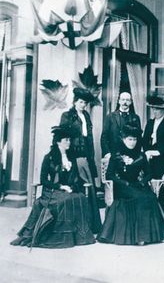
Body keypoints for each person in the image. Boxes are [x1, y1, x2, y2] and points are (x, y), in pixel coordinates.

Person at [10, 126, 95, 248]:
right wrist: (60, 186)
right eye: (66, 140)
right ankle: (59, 236)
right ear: (58, 142)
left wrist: (72, 187)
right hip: (51, 191)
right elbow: (43, 180)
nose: (69, 142)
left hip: (68, 189)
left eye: (69, 140)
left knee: (80, 197)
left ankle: (79, 235)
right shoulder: (49, 157)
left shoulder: (71, 157)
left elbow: (76, 176)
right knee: (64, 201)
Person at [97, 125, 164, 245]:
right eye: (130, 139)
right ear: (124, 139)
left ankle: (148, 236)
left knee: (150, 197)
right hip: (122, 186)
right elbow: (109, 175)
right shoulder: (116, 155)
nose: (132, 142)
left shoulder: (140, 155)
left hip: (137, 185)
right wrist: (124, 182)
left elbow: (149, 173)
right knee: (139, 198)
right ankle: (139, 237)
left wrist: (142, 182)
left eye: (135, 139)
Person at [60, 87, 102, 234]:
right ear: (75, 102)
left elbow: (88, 139)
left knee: (89, 190)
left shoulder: (86, 116)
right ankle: (76, 227)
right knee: (77, 190)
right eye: (81, 102)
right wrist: (65, 156)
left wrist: (90, 157)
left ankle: (91, 225)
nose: (83, 105)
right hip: (74, 157)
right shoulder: (67, 116)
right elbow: (62, 138)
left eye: (85, 103)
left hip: (86, 157)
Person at [142, 94, 164, 224]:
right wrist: (147, 151)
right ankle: (152, 222)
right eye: (153, 109)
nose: (155, 111)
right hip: (150, 161)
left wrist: (158, 152)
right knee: (150, 188)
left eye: (157, 109)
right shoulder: (150, 123)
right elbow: (144, 140)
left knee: (163, 191)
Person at [100, 91, 141, 159]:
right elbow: (104, 137)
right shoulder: (110, 117)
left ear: (131, 102)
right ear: (119, 101)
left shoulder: (135, 118)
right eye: (123, 99)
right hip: (113, 155)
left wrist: (136, 156)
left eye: (127, 100)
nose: (125, 102)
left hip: (130, 156)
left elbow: (138, 138)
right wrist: (107, 153)